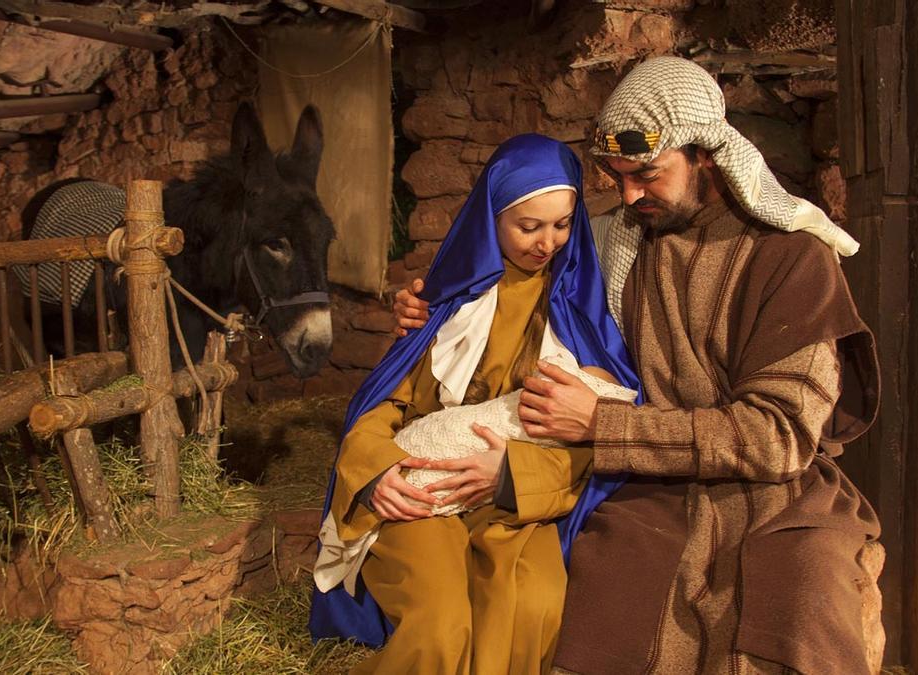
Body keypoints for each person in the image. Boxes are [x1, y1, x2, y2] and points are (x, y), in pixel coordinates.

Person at [392, 57, 884, 674]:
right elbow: (498, 281)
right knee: (604, 600)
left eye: (646, 174)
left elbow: (778, 438)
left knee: (804, 607)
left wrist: (603, 424)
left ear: (706, 154)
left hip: (779, 496)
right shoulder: (611, 242)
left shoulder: (792, 260)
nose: (629, 195)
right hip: (645, 489)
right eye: (616, 176)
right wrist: (426, 307)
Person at [308, 133, 642, 675]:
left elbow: (599, 433)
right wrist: (376, 472)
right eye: (528, 227)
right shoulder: (447, 300)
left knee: (530, 607)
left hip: (518, 502)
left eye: (562, 225)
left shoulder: (580, 314)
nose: (547, 243)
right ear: (491, 217)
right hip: (426, 493)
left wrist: (510, 474)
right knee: (441, 626)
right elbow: (384, 405)